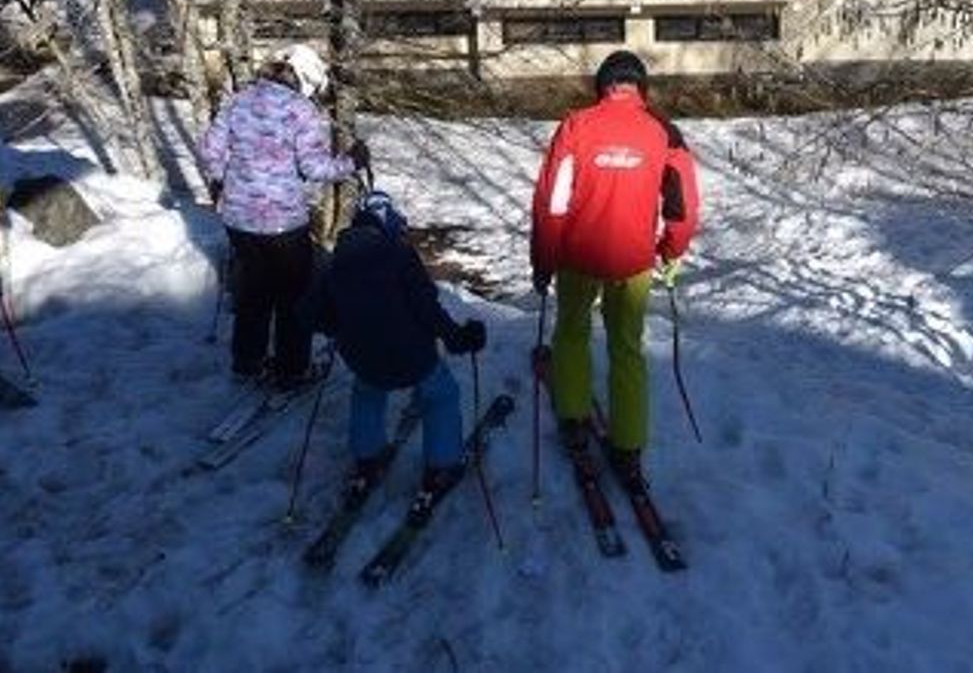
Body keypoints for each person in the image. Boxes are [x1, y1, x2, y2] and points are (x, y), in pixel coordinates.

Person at [529, 49, 700, 490]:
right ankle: (628, 446)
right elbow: (683, 206)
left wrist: (543, 260)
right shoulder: (663, 132)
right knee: (627, 349)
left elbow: (552, 203)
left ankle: (573, 419)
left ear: (601, 86)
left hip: (576, 258)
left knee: (570, 334)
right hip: (633, 262)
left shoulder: (576, 126)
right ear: (640, 87)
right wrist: (671, 248)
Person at [200, 43, 369, 390]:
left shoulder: (238, 99)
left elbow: (209, 150)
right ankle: (291, 371)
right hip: (283, 223)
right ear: (306, 79)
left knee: (254, 292)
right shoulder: (302, 112)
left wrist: (219, 180)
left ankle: (247, 362)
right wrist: (352, 162)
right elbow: (314, 167)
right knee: (294, 298)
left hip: (238, 220)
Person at [302, 189, 487, 498]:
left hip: (363, 358)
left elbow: (310, 315)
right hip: (413, 357)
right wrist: (459, 338)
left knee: (366, 392)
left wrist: (344, 324)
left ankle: (367, 460)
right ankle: (441, 467)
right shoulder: (400, 255)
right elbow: (427, 309)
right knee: (441, 395)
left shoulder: (336, 262)